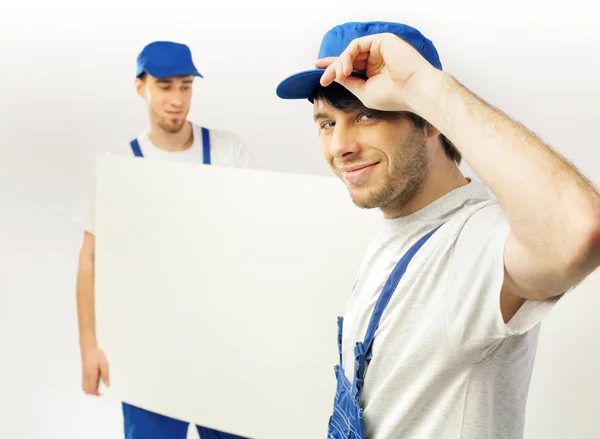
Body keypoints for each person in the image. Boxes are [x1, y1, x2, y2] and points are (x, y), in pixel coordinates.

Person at [276, 21, 600, 439]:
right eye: (327, 123)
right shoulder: (399, 228)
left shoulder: (474, 242)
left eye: (367, 115)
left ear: (429, 120)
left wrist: (423, 87)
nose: (340, 145)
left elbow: (579, 231)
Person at [72, 40, 253, 439]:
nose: (177, 99)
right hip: (147, 354)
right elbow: (90, 260)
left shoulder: (228, 152)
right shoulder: (118, 166)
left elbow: (254, 244)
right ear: (142, 87)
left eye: (185, 86)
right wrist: (90, 346)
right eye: (165, 86)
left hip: (221, 353)